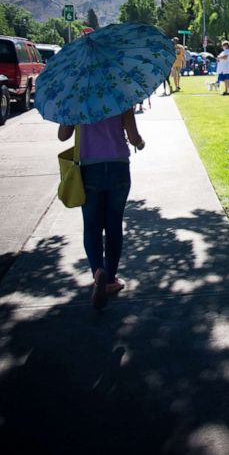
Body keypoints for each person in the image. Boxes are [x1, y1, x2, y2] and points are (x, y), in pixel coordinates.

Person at [58, 110, 145, 310]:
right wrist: (140, 144)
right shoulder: (120, 95)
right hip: (119, 167)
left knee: (91, 226)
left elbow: (63, 136)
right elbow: (133, 137)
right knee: (114, 225)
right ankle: (110, 279)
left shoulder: (77, 100)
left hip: (89, 170)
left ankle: (98, 271)